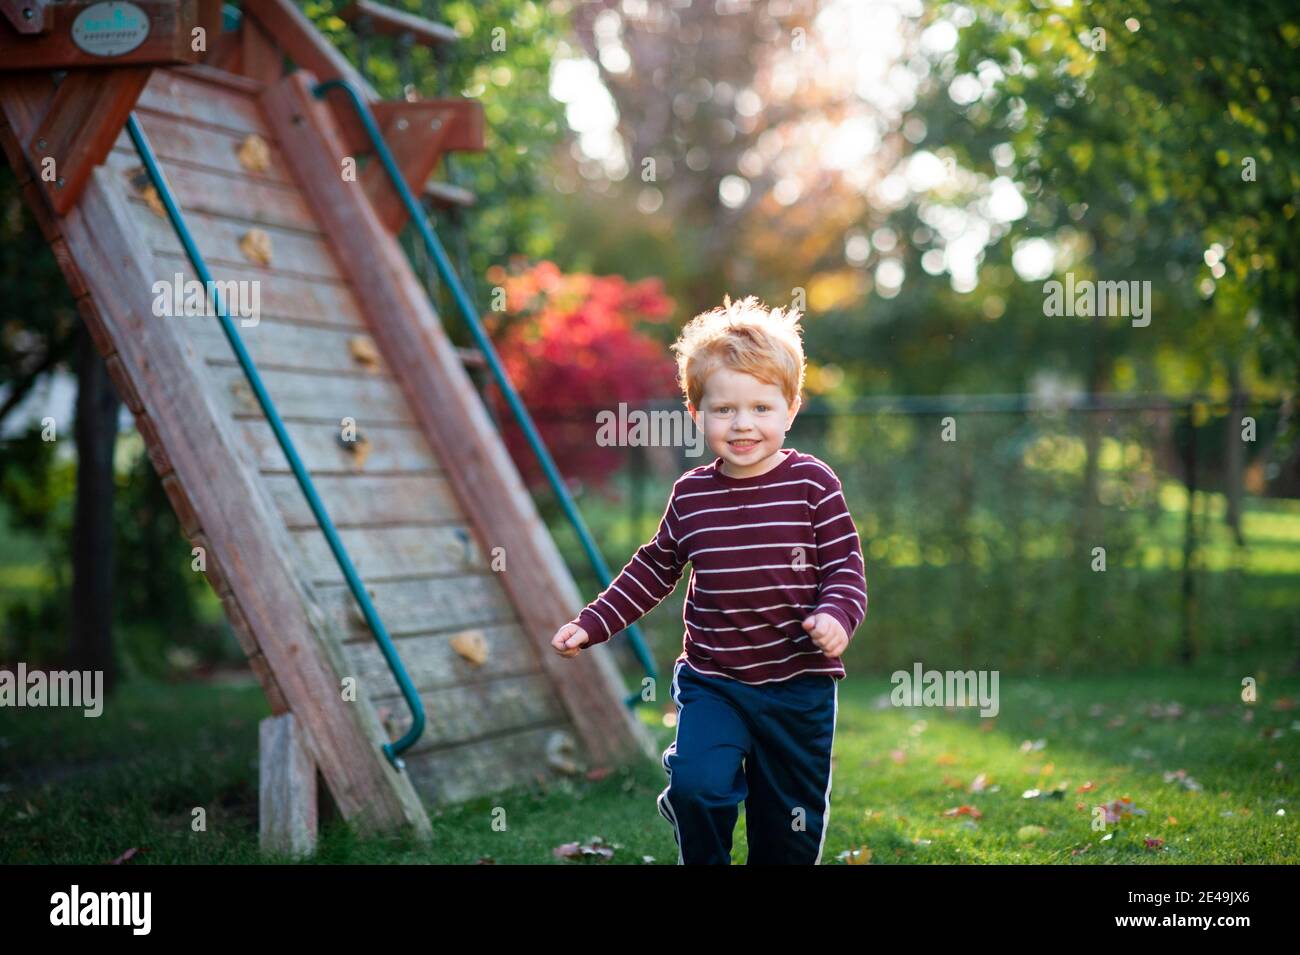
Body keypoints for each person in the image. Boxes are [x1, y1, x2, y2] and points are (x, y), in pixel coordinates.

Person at [550, 294, 868, 864]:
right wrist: (593, 623)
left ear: (790, 409)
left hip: (799, 686)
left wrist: (836, 614)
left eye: (761, 408)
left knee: (786, 831)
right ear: (697, 414)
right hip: (715, 679)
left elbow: (846, 564)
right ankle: (692, 803)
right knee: (701, 789)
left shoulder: (812, 484)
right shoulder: (692, 494)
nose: (743, 424)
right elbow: (654, 568)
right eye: (724, 410)